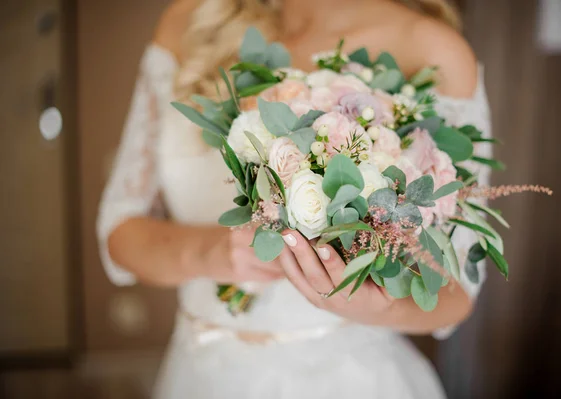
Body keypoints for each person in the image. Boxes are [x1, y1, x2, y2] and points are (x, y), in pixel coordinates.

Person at [97, 0, 492, 397]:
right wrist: (211, 252)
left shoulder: (430, 49)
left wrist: (377, 307)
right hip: (201, 374)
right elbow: (120, 230)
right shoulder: (191, 20)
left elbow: (457, 291)